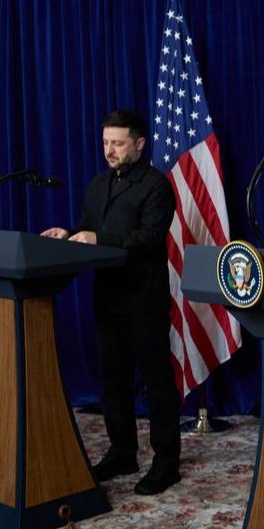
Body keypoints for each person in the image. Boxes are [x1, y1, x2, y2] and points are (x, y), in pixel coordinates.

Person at [41, 108, 182, 496]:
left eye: (118, 143)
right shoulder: (98, 184)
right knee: (113, 380)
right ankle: (123, 451)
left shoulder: (156, 185)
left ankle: (166, 461)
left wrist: (98, 239)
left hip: (144, 297)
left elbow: (150, 238)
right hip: (107, 296)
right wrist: (68, 234)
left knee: (156, 381)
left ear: (139, 144)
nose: (109, 150)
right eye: (105, 142)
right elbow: (89, 229)